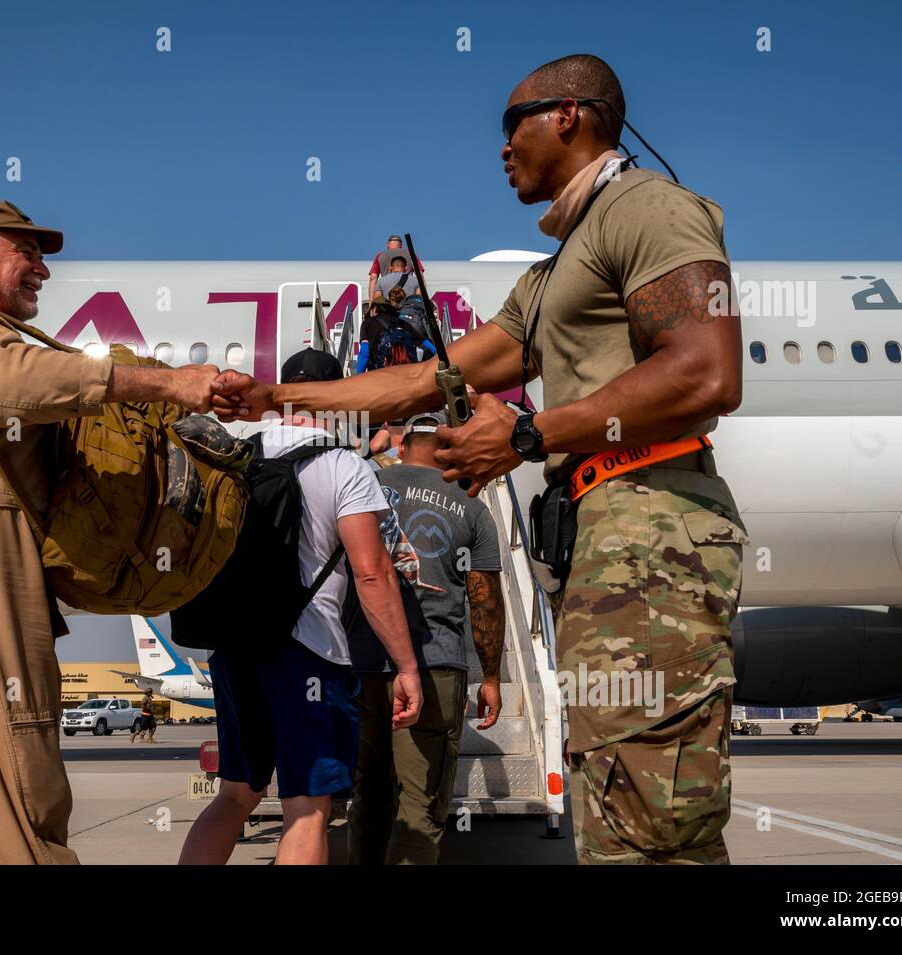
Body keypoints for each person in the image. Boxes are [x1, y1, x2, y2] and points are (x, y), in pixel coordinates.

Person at [213, 53, 748, 865]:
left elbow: (709, 370)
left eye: (512, 125)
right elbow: (429, 378)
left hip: (653, 532)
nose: (501, 149)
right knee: (619, 801)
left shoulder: (651, 209)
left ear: (569, 114)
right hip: (604, 536)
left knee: (656, 816)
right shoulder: (556, 270)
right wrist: (281, 400)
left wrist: (530, 435)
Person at [0, 197, 220, 865]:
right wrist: (163, 383)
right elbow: (9, 382)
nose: (42, 271)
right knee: (24, 796)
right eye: (26, 253)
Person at [178, 348, 423, 866]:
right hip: (308, 652)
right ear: (334, 396)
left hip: (234, 647)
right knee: (306, 810)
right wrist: (405, 665)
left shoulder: (234, 457)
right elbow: (372, 573)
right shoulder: (343, 465)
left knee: (235, 797)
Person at [348, 413, 506, 864]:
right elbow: (486, 602)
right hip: (435, 665)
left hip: (361, 664)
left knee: (370, 796)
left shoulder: (361, 488)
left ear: (402, 446)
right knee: (421, 807)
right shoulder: (471, 505)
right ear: (448, 450)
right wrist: (490, 676)